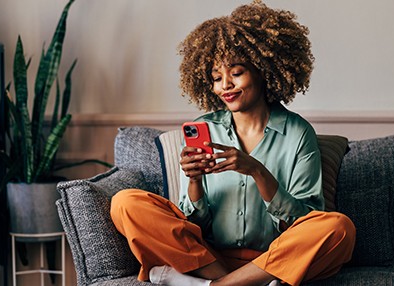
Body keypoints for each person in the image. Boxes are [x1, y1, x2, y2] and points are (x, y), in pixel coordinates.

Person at [110, 1, 356, 285]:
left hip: (275, 259)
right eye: (216, 78)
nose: (224, 85)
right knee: (125, 202)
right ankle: (231, 281)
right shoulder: (204, 129)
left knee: (338, 227)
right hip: (210, 258)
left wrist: (258, 171)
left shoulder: (298, 133)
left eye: (236, 73)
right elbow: (192, 227)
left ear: (263, 70)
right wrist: (194, 181)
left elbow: (305, 222)